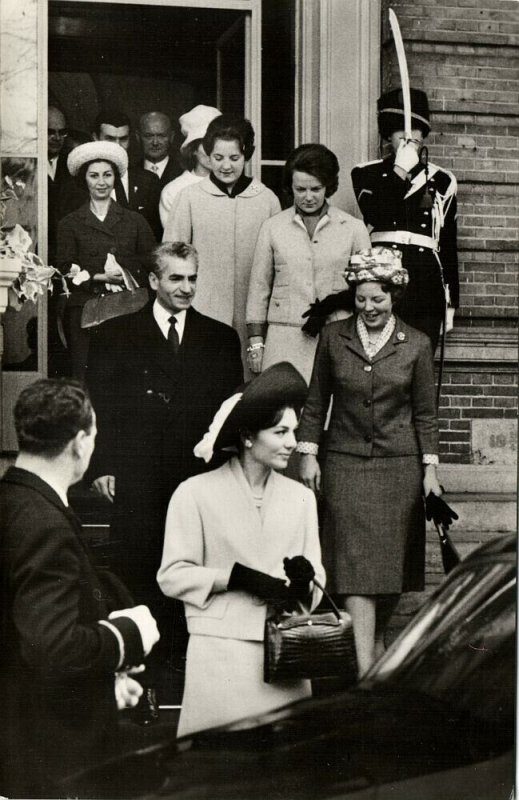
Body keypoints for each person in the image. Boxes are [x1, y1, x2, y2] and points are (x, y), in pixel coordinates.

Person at [86, 241, 243, 701]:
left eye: (192, 278)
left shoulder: (219, 339)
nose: (186, 288)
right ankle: (143, 673)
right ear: (153, 281)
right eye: (176, 278)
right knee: (139, 563)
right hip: (136, 474)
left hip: (195, 477)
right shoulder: (114, 335)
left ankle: (190, 672)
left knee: (193, 566)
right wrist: (103, 465)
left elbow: (227, 415)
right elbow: (100, 407)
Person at [0, 379, 160, 798]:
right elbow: (53, 647)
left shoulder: (13, 501)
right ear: (79, 442)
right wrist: (128, 635)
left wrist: (105, 687)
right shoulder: (44, 523)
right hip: (43, 759)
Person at [157, 361, 325, 737]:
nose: (292, 442)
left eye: (294, 431)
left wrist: (305, 584)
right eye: (280, 432)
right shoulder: (195, 493)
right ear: (249, 437)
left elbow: (317, 572)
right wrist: (233, 577)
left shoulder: (301, 498)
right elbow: (172, 575)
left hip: (285, 656)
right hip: (220, 654)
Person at [297, 248, 442, 677]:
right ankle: (366, 677)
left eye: (377, 299)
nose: (369, 308)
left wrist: (430, 470)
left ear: (394, 295)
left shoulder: (416, 344)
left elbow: (426, 414)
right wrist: (308, 453)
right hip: (344, 463)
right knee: (357, 570)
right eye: (361, 299)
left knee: (390, 572)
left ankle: (374, 647)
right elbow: (316, 399)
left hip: (399, 467)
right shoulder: (334, 337)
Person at [163, 114, 281, 369]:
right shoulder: (189, 198)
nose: (226, 166)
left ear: (247, 154)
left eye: (234, 158)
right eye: (218, 158)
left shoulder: (267, 200)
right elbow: (171, 259)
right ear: (206, 155)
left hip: (254, 319)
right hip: (202, 311)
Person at [246, 143, 371, 383]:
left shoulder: (353, 228)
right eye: (300, 189)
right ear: (290, 187)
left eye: (316, 189)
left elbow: (367, 286)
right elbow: (259, 287)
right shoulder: (273, 227)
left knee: (332, 408)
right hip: (284, 336)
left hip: (338, 332)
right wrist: (255, 343)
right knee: (284, 408)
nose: (308, 197)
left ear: (329, 187)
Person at [351, 88, 459, 351]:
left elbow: (446, 242)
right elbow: (376, 214)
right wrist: (399, 170)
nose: (409, 137)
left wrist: (451, 301)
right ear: (388, 134)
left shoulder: (443, 180)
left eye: (416, 130)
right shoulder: (367, 174)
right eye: (400, 130)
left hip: (426, 283)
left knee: (419, 361)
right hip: (381, 280)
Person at [56, 140, 156, 381]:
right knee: (86, 375)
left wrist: (124, 273)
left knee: (125, 377)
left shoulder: (135, 221)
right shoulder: (69, 223)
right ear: (84, 180)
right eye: (94, 176)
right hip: (85, 309)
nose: (101, 182)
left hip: (127, 308)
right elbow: (63, 268)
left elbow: (152, 262)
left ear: (115, 178)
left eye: (107, 175)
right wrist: (99, 276)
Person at [93, 109, 162, 239]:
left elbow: (154, 233)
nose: (117, 146)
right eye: (110, 139)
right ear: (95, 138)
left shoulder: (148, 181)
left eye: (123, 139)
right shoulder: (81, 183)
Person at [159, 104, 221, 229]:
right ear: (193, 149)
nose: (214, 151)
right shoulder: (174, 191)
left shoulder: (234, 184)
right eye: (207, 144)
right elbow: (177, 243)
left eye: (218, 143)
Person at [137, 111, 181, 189]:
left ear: (171, 137)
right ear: (138, 137)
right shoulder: (130, 172)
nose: (155, 142)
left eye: (161, 136)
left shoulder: (182, 172)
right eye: (148, 136)